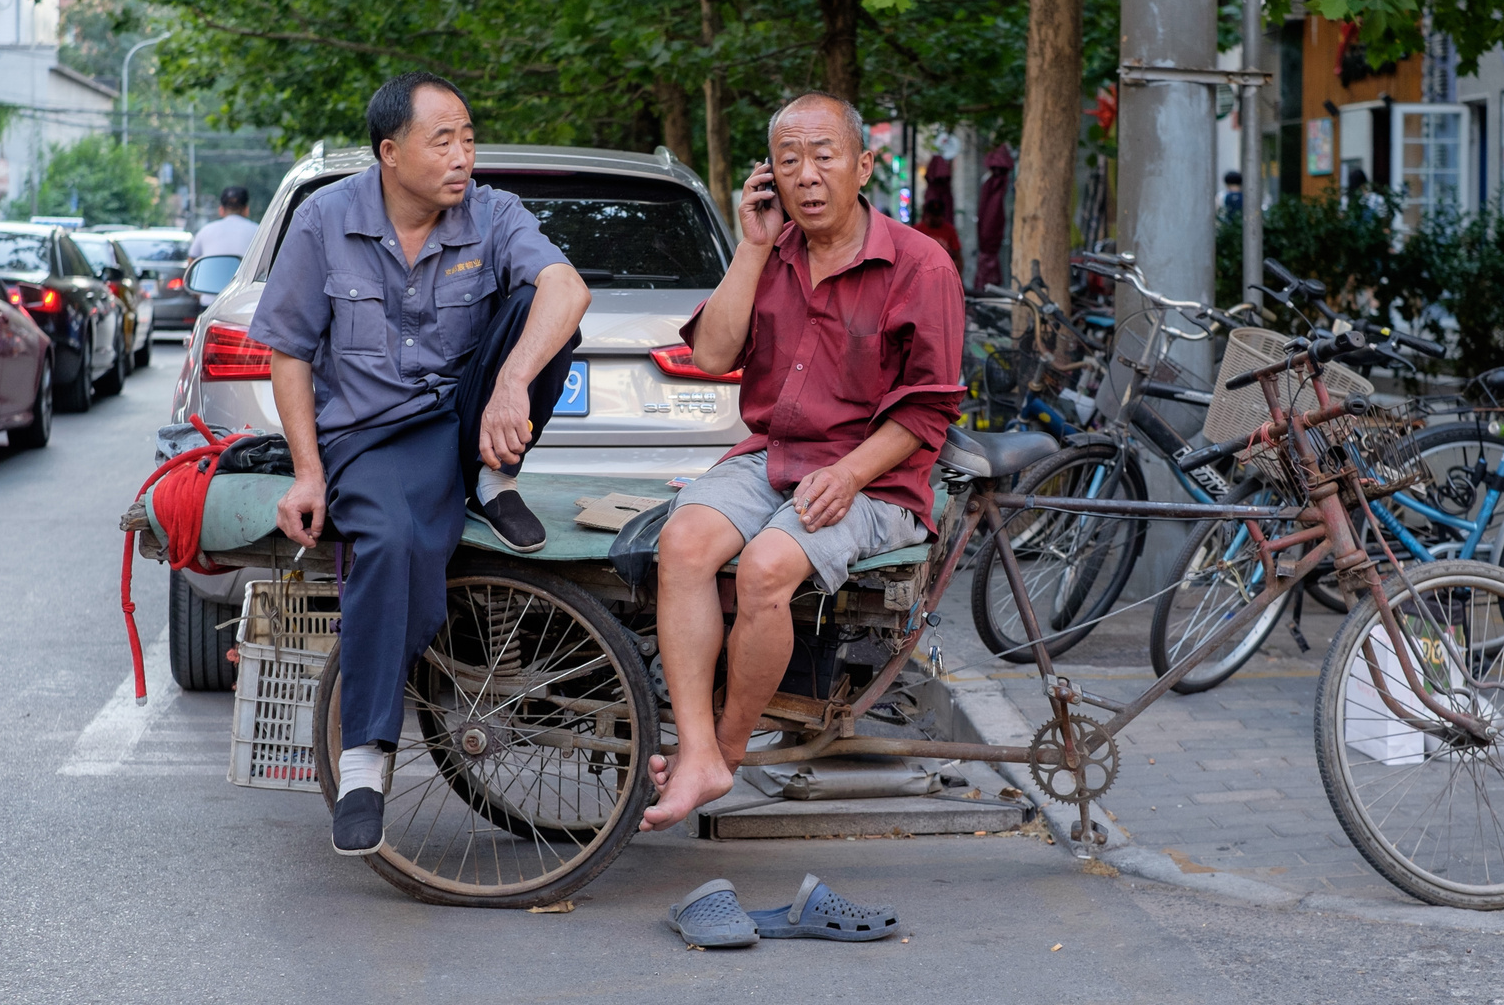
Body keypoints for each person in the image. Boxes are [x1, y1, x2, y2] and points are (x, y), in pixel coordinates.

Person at [247, 71, 589, 855]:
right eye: (444, 140)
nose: (463, 155)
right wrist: (308, 471)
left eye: (469, 137)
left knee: (541, 308)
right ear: (390, 152)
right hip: (367, 434)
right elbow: (290, 353)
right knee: (396, 546)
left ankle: (495, 476)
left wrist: (509, 384)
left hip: (462, 418)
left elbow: (567, 289)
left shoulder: (493, 212)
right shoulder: (324, 221)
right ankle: (367, 757)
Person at [640, 90, 965, 832]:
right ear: (770, 177)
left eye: (824, 156)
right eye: (790, 161)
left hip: (877, 478)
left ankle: (723, 751)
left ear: (862, 167)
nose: (808, 175)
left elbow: (927, 412)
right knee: (682, 543)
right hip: (774, 456)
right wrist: (752, 247)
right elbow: (714, 353)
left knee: (764, 571)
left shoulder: (920, 265)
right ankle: (695, 750)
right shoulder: (773, 253)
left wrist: (850, 473)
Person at [188, 186, 260, 259]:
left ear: (221, 210)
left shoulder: (205, 231)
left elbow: (192, 260)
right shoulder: (258, 231)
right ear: (246, 210)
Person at [911, 197, 963, 273]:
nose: (937, 218)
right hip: (922, 270)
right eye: (934, 215)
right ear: (927, 215)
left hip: (943, 270)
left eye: (939, 215)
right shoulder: (916, 230)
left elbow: (957, 254)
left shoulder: (949, 230)